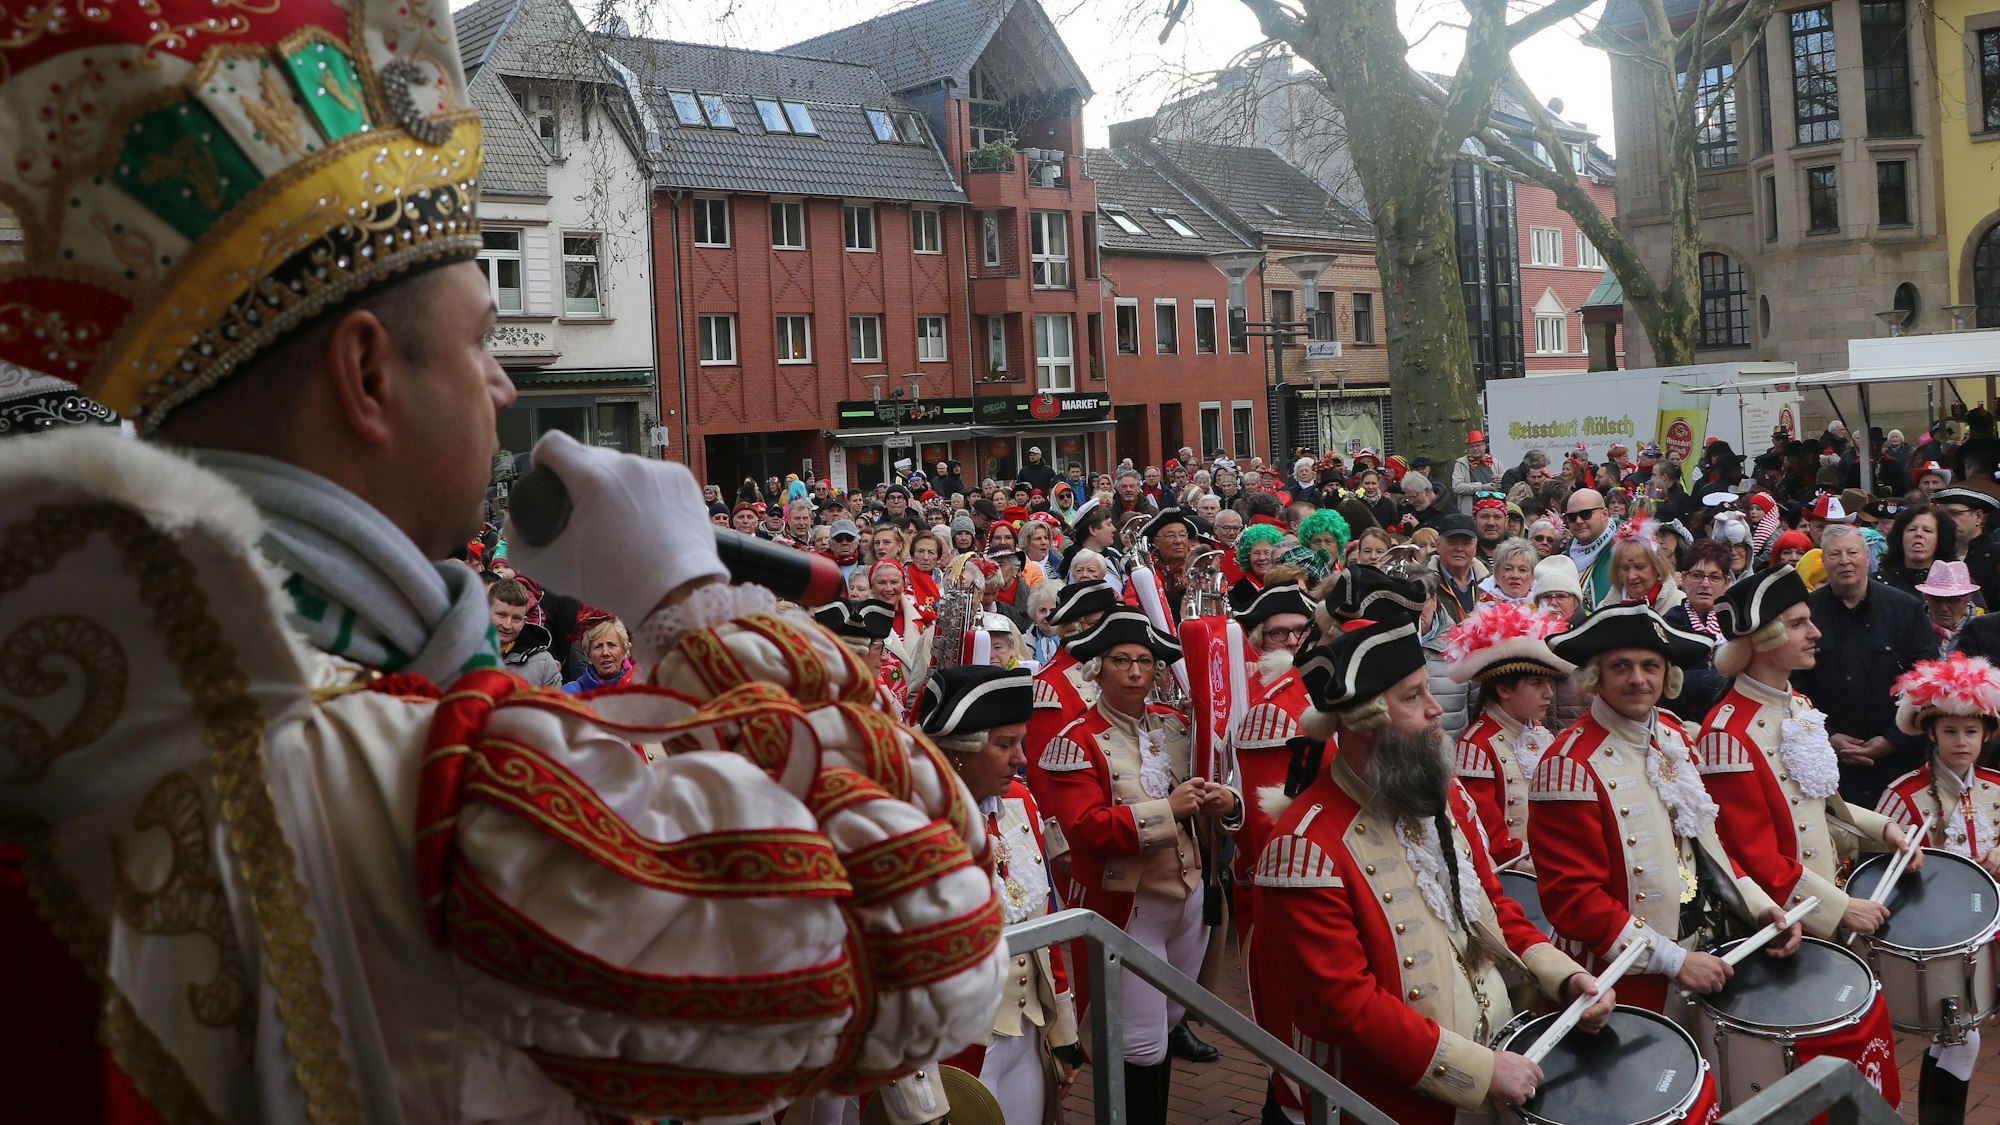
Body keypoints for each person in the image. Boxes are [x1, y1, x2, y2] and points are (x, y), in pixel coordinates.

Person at [1251, 618, 1616, 1125]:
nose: (1435, 708)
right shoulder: (1303, 847)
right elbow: (1344, 1007)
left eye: (1427, 689)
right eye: (1413, 696)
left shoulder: (1432, 803)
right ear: (1363, 719)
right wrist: (1479, 1072)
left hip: (1497, 1068)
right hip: (1391, 1104)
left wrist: (1565, 977)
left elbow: (1491, 908)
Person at [1528, 602, 1801, 1014]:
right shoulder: (1568, 765)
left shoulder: (1675, 736)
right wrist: (1674, 962)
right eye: (1621, 666)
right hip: (1617, 984)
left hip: (1702, 950)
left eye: (1650, 666)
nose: (1638, 679)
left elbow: (1708, 846)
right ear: (1595, 676)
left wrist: (1762, 908)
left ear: (1667, 674)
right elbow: (1575, 899)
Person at [1026, 610, 1243, 1125]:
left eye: (1145, 661)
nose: (1135, 672)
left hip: (1191, 900)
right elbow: (1087, 829)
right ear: (1098, 668)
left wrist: (1227, 803)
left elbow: (1225, 792)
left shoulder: (1177, 725)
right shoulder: (1074, 741)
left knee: (1164, 1026)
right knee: (1139, 1044)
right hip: (1131, 908)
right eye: (1121, 661)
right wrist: (1169, 809)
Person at [1700, 565, 1910, 947]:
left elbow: (1820, 806)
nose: (1815, 633)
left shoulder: (1800, 704)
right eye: (1798, 624)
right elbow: (1749, 854)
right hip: (1784, 923)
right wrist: (1837, 908)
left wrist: (1884, 829)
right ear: (1763, 639)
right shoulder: (1725, 733)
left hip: (1827, 899)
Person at [913, 666, 1085, 1124]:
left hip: (1027, 1030)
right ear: (959, 751)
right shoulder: (913, 825)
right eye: (1005, 745)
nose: (1021, 758)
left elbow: (1044, 922)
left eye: (1020, 742)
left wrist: (1062, 1029)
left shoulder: (1021, 803)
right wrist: (916, 1091)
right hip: (953, 1046)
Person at [1877, 653, 2000, 1123]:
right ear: (1930, 733)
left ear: (1986, 735)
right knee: (1960, 1036)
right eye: (1949, 731)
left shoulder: (1996, 787)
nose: (1961, 741)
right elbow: (1879, 872)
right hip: (1936, 939)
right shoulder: (1903, 794)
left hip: (1991, 929)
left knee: (1960, 1039)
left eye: (1971, 731)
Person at [1794, 524, 1941, 808]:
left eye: (1852, 553)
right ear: (1823, 561)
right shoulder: (1806, 614)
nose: (1844, 561)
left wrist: (1892, 740)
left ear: (1866, 557)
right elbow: (1793, 687)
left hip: (1900, 765)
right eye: (1835, 554)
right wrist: (1828, 736)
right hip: (1827, 766)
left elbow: (1928, 684)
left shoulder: (1906, 609)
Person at [1445, 602, 1574, 870]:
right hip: (1515, 873)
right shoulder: (1476, 745)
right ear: (1504, 689)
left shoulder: (1542, 734)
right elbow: (1488, 834)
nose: (1549, 693)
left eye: (1549, 683)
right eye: (1537, 684)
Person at [1123, 508, 1210, 628]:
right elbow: (1132, 604)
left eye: (1183, 535)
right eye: (1170, 536)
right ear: (1156, 543)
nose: (1178, 541)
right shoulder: (1145, 571)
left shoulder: (1200, 563)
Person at [490, 578, 563, 687]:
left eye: (516, 618)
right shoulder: (464, 653)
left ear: (524, 622)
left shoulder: (543, 663)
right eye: (501, 615)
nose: (507, 625)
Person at [1879, 502, 1957, 599]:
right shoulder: (1878, 584)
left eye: (1927, 530)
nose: (1918, 534)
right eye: (1912, 529)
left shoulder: (1957, 584)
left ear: (1941, 538)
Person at [1563, 489, 1619, 610]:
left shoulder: (1626, 551)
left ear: (1604, 514)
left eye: (1586, 514)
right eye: (1572, 517)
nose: (1578, 521)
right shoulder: (1563, 561)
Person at [1430, 514, 1488, 625]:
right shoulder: (1424, 584)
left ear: (1475, 548)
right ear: (1438, 545)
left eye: (1466, 543)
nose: (1459, 549)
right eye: (1452, 542)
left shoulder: (1492, 583)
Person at [1917, 560, 1983, 649]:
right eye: (1936, 600)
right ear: (1926, 598)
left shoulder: (1983, 631)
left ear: (1968, 599)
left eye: (1953, 600)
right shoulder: (1912, 629)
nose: (1944, 608)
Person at [562, 617, 635, 693]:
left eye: (612, 645)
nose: (605, 653)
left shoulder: (640, 685)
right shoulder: (571, 693)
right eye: (598, 647)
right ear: (589, 656)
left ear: (625, 651)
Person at [1450, 429, 1498, 515]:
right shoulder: (1461, 464)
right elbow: (1457, 487)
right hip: (1470, 512)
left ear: (1484, 445)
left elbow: (1505, 486)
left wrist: (1501, 481)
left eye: (1478, 445)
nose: (1475, 448)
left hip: (1493, 510)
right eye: (1472, 446)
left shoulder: (1495, 463)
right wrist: (1481, 487)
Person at [1478, 537, 1538, 605]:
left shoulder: (1544, 604)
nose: (1515, 575)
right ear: (1496, 575)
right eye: (1508, 569)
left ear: (1533, 576)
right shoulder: (1480, 602)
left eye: (1522, 570)